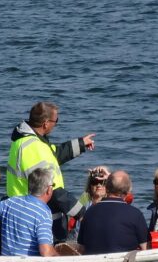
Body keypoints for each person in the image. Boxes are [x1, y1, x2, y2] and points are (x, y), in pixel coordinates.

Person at [6, 101, 96, 240]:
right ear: (46, 123)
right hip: (37, 215)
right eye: (56, 120)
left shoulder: (29, 140)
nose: (56, 124)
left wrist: (80, 144)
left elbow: (53, 154)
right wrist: (82, 213)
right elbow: (51, 189)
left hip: (25, 209)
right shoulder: (33, 147)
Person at [0, 167, 58, 257]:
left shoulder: (11, 202)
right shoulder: (44, 213)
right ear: (49, 190)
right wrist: (58, 256)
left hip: (7, 261)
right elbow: (46, 252)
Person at [77, 170, 149, 255]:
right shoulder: (135, 214)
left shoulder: (89, 212)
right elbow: (146, 249)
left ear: (106, 188)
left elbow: (81, 248)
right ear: (129, 190)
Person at [67, 165, 110, 244]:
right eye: (95, 182)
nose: (99, 185)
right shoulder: (84, 202)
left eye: (102, 182)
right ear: (90, 186)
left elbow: (125, 192)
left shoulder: (112, 203)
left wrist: (109, 176)